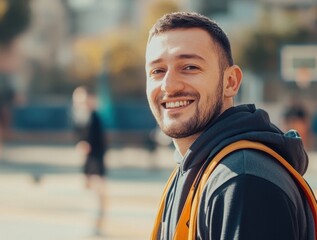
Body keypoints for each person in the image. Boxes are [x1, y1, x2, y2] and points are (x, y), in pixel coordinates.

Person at [145, 12, 313, 240]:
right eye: (157, 71)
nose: (169, 85)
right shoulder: (194, 167)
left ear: (230, 82)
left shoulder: (242, 182)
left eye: (190, 67)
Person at [71, 86, 108, 236]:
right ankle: (92, 222)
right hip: (86, 162)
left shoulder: (95, 117)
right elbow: (78, 137)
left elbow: (100, 143)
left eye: (84, 100)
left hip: (96, 161)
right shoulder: (79, 117)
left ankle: (97, 224)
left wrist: (88, 147)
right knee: (88, 192)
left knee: (99, 194)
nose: (81, 103)